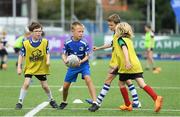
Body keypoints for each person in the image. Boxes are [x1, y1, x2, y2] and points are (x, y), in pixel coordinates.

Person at [86, 14, 141, 111]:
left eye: (111, 25)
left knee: (108, 80)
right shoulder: (116, 34)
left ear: (117, 24)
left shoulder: (118, 34)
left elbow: (121, 47)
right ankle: (136, 101)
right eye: (108, 25)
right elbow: (112, 44)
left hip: (118, 62)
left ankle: (98, 102)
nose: (109, 27)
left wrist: (120, 62)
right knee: (127, 80)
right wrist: (99, 48)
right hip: (118, 62)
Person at [114, 22, 163, 112]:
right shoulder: (129, 40)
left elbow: (124, 50)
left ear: (119, 31)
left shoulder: (120, 40)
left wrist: (127, 61)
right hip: (136, 65)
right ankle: (156, 98)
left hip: (127, 66)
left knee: (121, 84)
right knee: (141, 84)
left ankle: (128, 104)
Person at [15, 22, 58, 109]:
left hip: (41, 68)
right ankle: (20, 102)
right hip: (30, 68)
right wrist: (19, 67)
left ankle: (52, 100)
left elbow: (47, 53)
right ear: (31, 32)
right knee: (26, 84)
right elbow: (21, 55)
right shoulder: (26, 43)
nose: (38, 33)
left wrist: (48, 60)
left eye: (40, 31)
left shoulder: (45, 42)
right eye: (36, 31)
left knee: (45, 86)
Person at [58, 21, 98, 112]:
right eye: (79, 31)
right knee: (65, 87)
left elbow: (87, 56)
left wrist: (81, 61)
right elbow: (63, 54)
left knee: (88, 79)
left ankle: (95, 102)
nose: (81, 33)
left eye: (82, 32)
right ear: (73, 31)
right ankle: (64, 101)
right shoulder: (67, 42)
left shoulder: (84, 42)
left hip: (83, 65)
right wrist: (65, 60)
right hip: (72, 67)